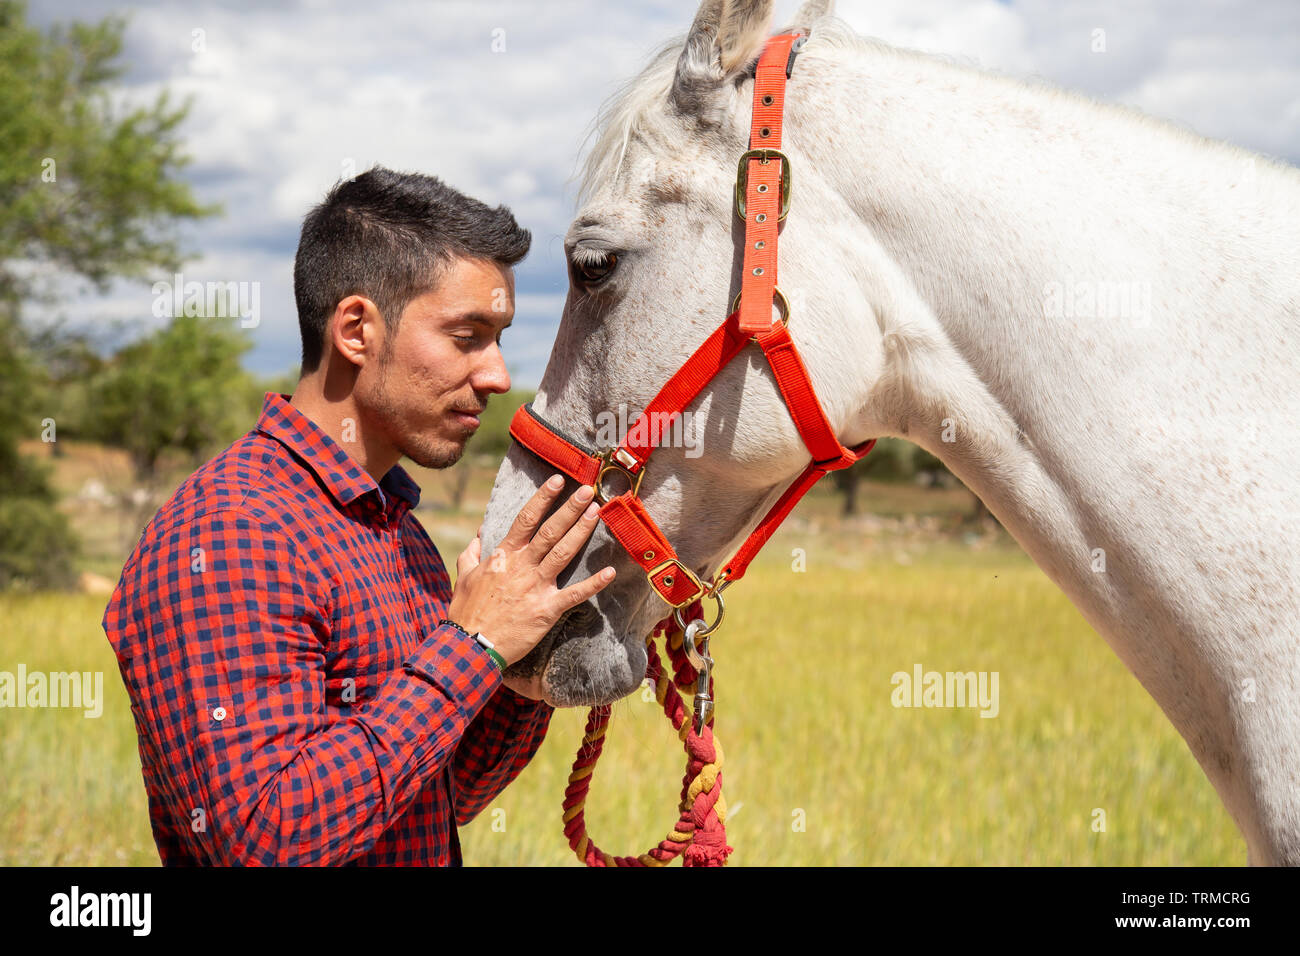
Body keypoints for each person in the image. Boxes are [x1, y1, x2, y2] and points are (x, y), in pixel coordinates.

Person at [102, 167, 614, 865]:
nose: (496, 375)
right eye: (468, 336)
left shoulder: (394, 529)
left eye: (499, 338)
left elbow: (437, 796)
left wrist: (523, 662)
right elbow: (265, 840)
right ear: (355, 331)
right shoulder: (229, 533)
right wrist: (473, 645)